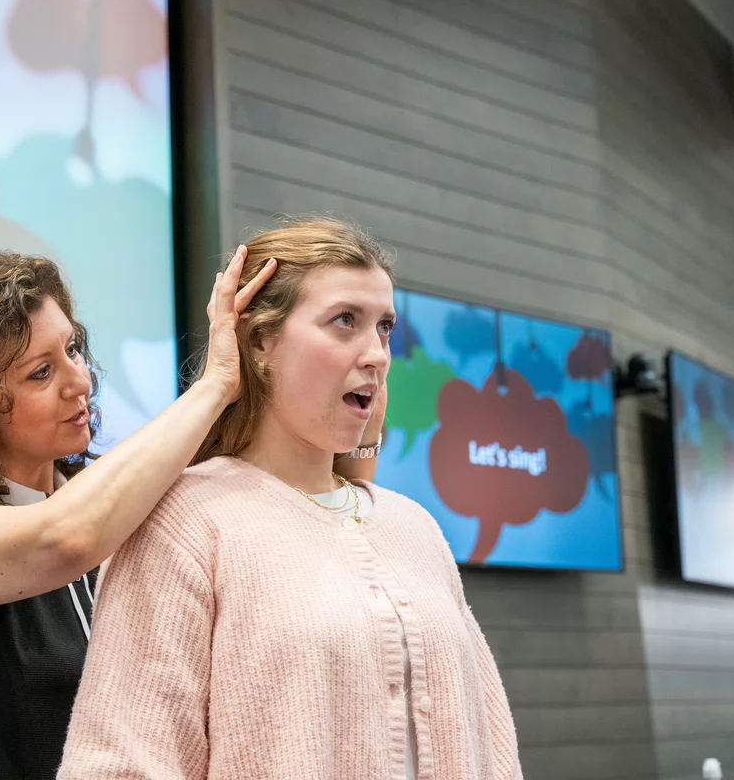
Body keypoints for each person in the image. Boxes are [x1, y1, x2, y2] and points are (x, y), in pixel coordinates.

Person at [0, 245, 387, 779]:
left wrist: (357, 399)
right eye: (39, 373)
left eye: (72, 350)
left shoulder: (105, 501)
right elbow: (64, 539)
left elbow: (327, 495)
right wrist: (218, 382)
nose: (80, 380)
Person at [58, 218, 522, 780]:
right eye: (345, 321)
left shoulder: (413, 526)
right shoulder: (185, 521)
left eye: (384, 328)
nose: (376, 353)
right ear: (258, 341)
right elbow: (123, 760)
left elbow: (493, 746)